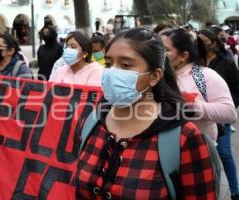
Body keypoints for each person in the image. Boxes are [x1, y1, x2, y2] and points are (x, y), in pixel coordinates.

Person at [75, 28, 217, 199]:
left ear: (154, 76)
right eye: (108, 64)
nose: (112, 73)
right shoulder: (92, 122)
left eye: (125, 65)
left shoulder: (184, 137)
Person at [161, 28, 237, 141]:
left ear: (183, 56)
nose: (157, 53)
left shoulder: (204, 75)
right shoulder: (156, 75)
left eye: (165, 49)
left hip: (198, 149)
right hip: (163, 146)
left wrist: (193, 105)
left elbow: (229, 113)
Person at [198, 29, 239, 200]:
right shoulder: (197, 63)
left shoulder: (226, 61)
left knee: (224, 152)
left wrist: (226, 109)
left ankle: (235, 190)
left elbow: (236, 89)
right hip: (200, 116)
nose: (200, 44)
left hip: (220, 115)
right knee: (204, 156)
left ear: (213, 43)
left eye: (203, 41)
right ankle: (211, 190)